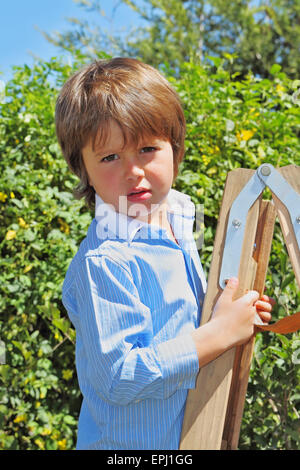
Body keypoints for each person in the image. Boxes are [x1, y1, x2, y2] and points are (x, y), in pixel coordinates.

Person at [55, 58, 273, 450]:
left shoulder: (181, 214)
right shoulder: (105, 262)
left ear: (174, 147)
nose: (134, 171)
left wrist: (233, 311)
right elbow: (121, 375)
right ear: (81, 169)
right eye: (109, 157)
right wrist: (218, 335)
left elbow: (185, 310)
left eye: (147, 149)